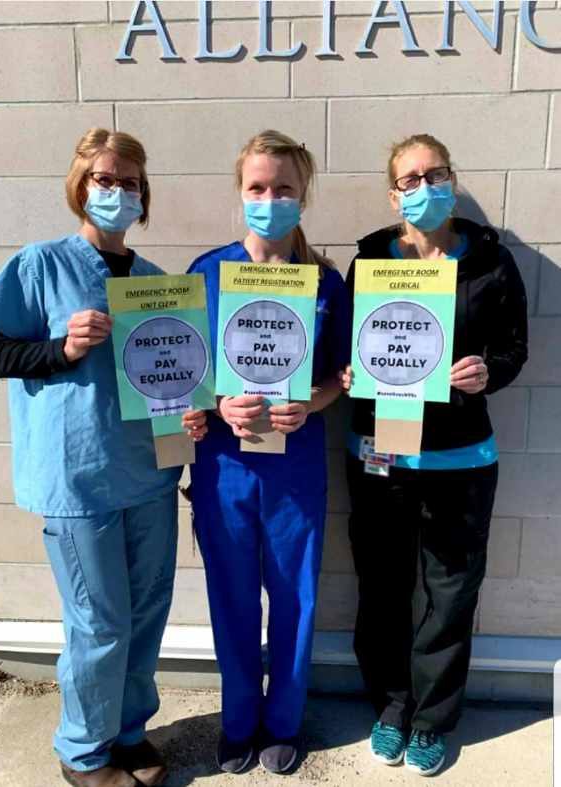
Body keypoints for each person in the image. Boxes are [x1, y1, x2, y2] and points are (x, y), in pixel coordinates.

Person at [0, 128, 207, 787]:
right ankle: (83, 750)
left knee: (148, 609)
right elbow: (0, 353)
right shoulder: (41, 265)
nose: (119, 191)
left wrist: (189, 416)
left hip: (150, 472)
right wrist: (64, 348)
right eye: (106, 179)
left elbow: (174, 378)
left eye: (131, 182)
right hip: (80, 477)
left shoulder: (158, 285)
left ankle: (127, 730)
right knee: (99, 621)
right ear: (81, 185)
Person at [343, 133, 528, 776]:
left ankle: (432, 719)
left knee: (450, 595)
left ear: (452, 179)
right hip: (381, 454)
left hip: (461, 459)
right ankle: (392, 706)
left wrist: (488, 371)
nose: (424, 187)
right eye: (410, 178)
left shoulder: (490, 262)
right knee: (383, 586)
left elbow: (515, 348)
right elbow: (348, 343)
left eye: (435, 174)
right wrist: (347, 371)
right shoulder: (370, 260)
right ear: (392, 194)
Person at [187, 130, 350, 775]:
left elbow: (342, 376)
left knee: (294, 599)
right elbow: (183, 373)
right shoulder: (206, 273)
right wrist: (216, 404)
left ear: (302, 197)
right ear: (240, 193)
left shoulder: (325, 283)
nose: (270, 199)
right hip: (224, 465)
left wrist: (312, 404)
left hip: (295, 466)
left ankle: (284, 720)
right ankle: (238, 721)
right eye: (257, 187)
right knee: (230, 598)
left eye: (283, 188)